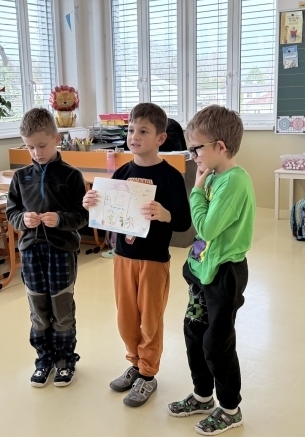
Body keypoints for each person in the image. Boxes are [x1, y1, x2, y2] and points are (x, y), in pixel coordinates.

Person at [83, 103, 191, 407]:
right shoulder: (122, 172)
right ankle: (134, 363)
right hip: (123, 257)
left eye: (143, 131)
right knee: (126, 317)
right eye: (131, 130)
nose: (134, 136)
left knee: (150, 320)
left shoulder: (170, 177)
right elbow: (109, 212)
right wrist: (92, 203)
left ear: (160, 138)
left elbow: (183, 222)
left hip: (154, 260)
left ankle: (148, 374)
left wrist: (165, 214)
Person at [167, 105, 255, 435]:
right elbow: (203, 236)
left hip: (224, 274)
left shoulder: (233, 182)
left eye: (196, 148)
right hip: (203, 269)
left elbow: (205, 227)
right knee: (194, 334)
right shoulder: (215, 176)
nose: (193, 156)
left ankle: (230, 409)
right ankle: (203, 396)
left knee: (217, 345)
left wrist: (195, 190)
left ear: (220, 146)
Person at [6, 108, 88, 388]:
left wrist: (61, 219)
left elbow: (83, 216)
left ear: (56, 139)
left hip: (62, 251)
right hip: (31, 250)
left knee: (62, 307)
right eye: (30, 147)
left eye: (41, 145)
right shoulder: (21, 177)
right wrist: (23, 220)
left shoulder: (72, 176)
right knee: (38, 308)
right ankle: (44, 359)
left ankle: (65, 360)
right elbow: (12, 212)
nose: (36, 153)